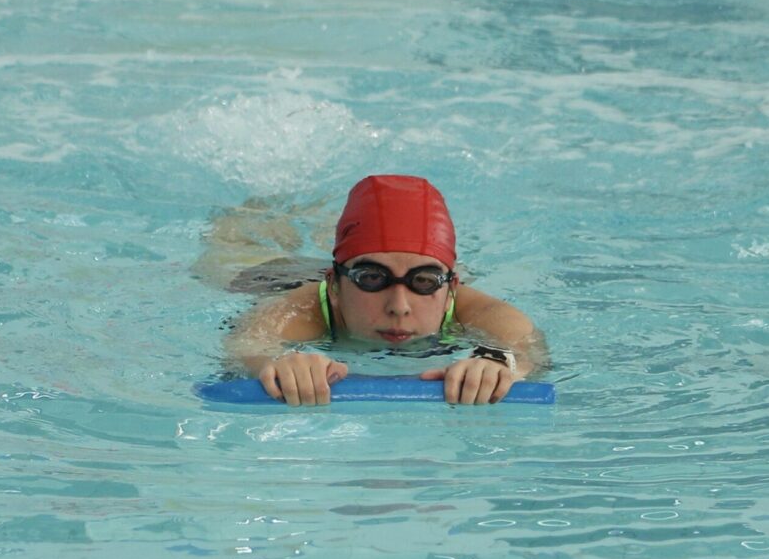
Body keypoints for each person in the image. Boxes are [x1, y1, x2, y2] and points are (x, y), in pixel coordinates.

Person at [224, 174, 546, 406]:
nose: (399, 306)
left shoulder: (477, 311)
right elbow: (247, 346)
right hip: (278, 276)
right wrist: (280, 362)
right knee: (228, 256)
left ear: (451, 288)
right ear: (333, 285)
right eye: (372, 278)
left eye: (424, 281)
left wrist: (497, 364)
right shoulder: (299, 311)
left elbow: (526, 350)